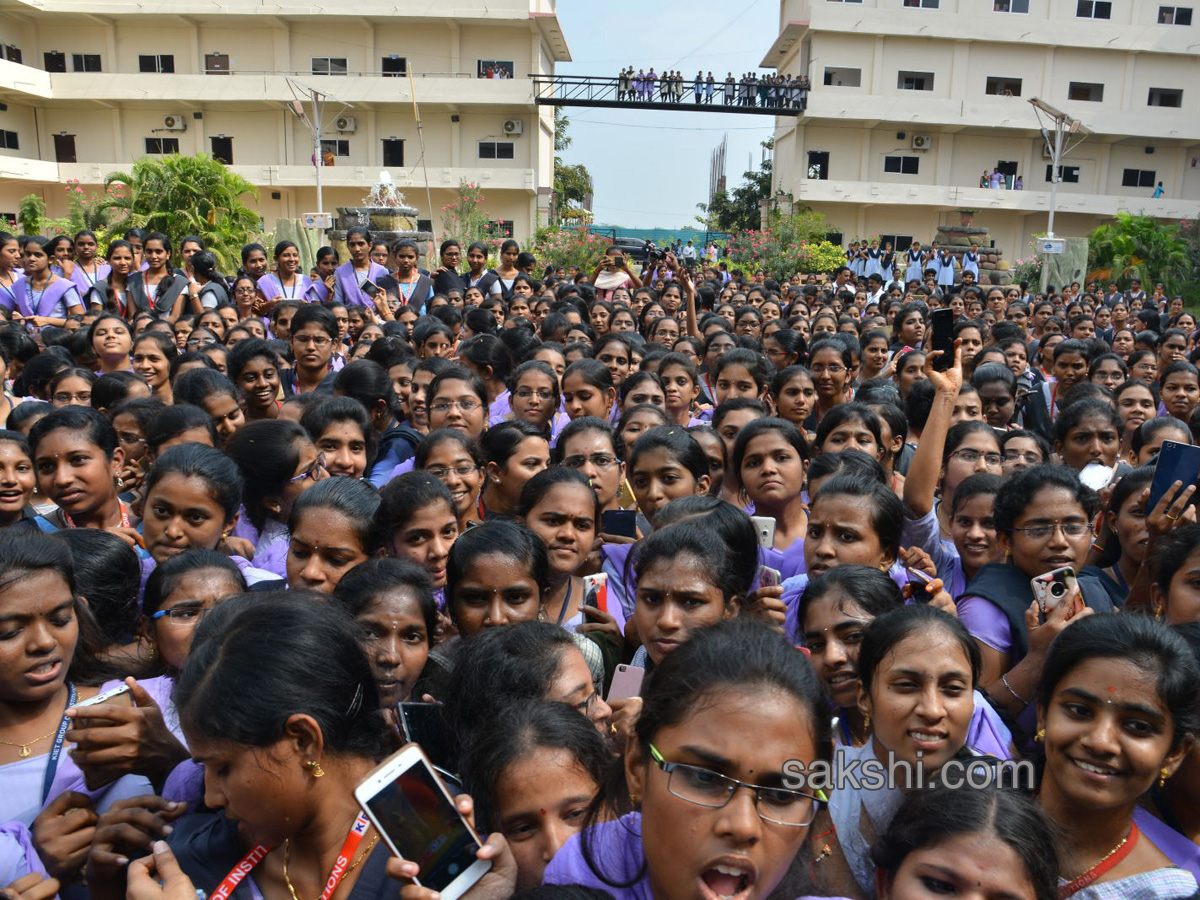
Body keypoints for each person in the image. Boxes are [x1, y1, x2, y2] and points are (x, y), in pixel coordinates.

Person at [544, 619, 832, 900]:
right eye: (705, 778)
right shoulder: (578, 873)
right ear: (636, 766)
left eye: (780, 796)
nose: (742, 826)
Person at [1035, 614, 1199, 898]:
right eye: (1080, 711)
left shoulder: (1165, 894)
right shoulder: (964, 820)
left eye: (1137, 727)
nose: (1101, 742)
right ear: (1042, 714)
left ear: (1174, 754)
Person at [331, 558, 437, 707]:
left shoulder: (447, 721)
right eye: (369, 634)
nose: (390, 657)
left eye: (411, 637)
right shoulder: (306, 716)